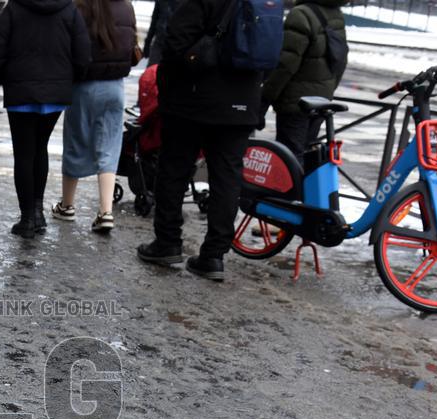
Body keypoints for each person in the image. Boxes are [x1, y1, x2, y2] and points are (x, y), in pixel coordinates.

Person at [136, 0, 262, 281]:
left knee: (174, 169)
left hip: (193, 102)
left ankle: (167, 242)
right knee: (227, 179)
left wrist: (171, 85)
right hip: (243, 103)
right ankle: (213, 256)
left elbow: (175, 43)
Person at [0, 0, 91, 238]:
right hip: (55, 92)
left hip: (21, 90)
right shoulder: (68, 9)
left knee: (24, 153)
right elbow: (83, 52)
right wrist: (70, 80)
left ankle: (27, 218)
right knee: (40, 147)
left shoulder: (15, 7)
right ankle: (37, 212)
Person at [53, 0, 137, 234]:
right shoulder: (126, 6)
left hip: (84, 86)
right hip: (115, 87)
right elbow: (132, 45)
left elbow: (71, 48)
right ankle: (106, 211)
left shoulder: (79, 7)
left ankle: (67, 205)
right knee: (110, 145)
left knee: (76, 142)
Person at [261, 0, 348, 163]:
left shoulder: (301, 14)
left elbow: (285, 65)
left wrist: (266, 97)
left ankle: (292, 189)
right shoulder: (335, 13)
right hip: (320, 102)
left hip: (295, 102)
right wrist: (327, 92)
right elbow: (340, 61)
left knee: (289, 159)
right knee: (306, 156)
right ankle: (308, 188)